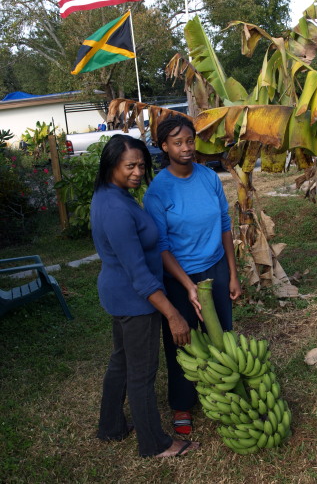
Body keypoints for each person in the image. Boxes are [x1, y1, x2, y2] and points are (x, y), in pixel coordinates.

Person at [90, 134, 199, 458]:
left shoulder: (111, 195)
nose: (138, 172)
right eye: (130, 166)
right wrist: (173, 314)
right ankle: (155, 444)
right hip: (136, 302)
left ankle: (110, 426)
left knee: (121, 362)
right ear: (112, 165)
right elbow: (139, 275)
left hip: (119, 295)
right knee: (141, 374)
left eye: (141, 165)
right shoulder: (116, 209)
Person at [143, 115, 241, 435]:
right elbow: (161, 246)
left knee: (221, 335)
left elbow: (225, 225)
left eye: (189, 140)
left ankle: (223, 392)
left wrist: (233, 273)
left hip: (216, 267)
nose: (186, 148)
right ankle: (182, 404)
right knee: (182, 341)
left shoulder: (209, 177)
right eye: (177, 143)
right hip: (178, 275)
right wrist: (188, 286)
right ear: (164, 147)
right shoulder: (158, 191)